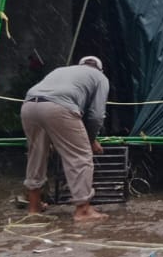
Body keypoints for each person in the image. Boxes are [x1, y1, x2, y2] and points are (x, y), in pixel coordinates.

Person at [21, 55, 110, 224]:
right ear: (100, 69)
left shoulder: (61, 70)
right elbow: (96, 115)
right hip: (59, 107)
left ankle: (34, 207)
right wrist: (90, 140)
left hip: (29, 104)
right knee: (80, 156)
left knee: (36, 155)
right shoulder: (100, 77)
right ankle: (83, 210)